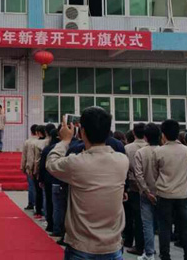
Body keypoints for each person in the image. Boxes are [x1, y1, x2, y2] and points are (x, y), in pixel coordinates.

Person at [47, 107, 129, 259]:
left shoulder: (76, 163)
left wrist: (65, 141)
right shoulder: (122, 161)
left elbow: (51, 163)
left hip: (81, 246)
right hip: (112, 246)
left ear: (82, 132)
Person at [155, 119, 187, 260]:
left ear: (163, 134)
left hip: (164, 194)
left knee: (164, 227)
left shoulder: (159, 151)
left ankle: (165, 255)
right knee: (185, 228)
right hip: (183, 194)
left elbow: (155, 171)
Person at [135, 123, 161, 260]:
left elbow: (138, 175)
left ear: (145, 137)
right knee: (163, 224)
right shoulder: (163, 151)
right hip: (162, 193)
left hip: (146, 193)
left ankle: (149, 253)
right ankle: (164, 252)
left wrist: (146, 191)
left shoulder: (141, 152)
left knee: (147, 224)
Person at [124, 123, 148, 256]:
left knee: (134, 216)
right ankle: (147, 245)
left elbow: (125, 167)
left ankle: (134, 243)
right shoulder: (151, 147)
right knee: (147, 218)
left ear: (133, 133)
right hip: (149, 186)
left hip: (133, 185)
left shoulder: (128, 148)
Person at [21, 125, 40, 211]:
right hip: (38, 167)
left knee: (31, 185)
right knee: (38, 186)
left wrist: (23, 167)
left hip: (29, 166)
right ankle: (37, 204)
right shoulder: (40, 142)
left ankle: (31, 203)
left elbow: (24, 156)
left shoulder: (27, 142)